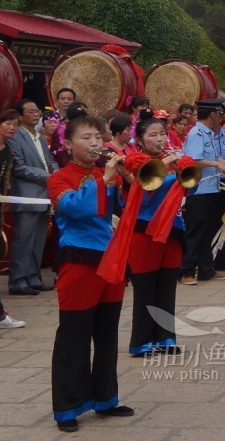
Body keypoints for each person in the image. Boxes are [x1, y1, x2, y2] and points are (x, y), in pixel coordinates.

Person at [47, 115, 133, 431]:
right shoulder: (58, 178)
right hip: (78, 261)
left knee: (107, 334)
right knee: (74, 334)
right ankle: (68, 407)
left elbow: (130, 209)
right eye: (86, 137)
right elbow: (77, 209)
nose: (95, 143)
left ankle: (105, 397)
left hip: (110, 260)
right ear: (68, 144)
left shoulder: (105, 173)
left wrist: (130, 178)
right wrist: (107, 178)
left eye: (98, 136)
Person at [124, 112, 191, 356]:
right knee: (145, 286)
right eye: (153, 135)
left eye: (162, 133)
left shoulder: (173, 159)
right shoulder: (134, 161)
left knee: (166, 285)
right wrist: (166, 164)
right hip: (144, 230)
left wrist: (180, 165)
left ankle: (166, 337)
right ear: (140, 140)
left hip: (172, 229)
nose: (160, 138)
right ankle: (141, 340)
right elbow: (140, 189)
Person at [179, 99, 225, 285]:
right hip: (200, 189)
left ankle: (206, 269)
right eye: (219, 114)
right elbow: (193, 160)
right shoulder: (197, 133)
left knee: (208, 232)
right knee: (195, 232)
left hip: (213, 187)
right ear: (213, 114)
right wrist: (216, 164)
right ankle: (186, 271)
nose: (221, 117)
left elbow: (217, 158)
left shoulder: (210, 134)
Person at [8, 99, 58, 296]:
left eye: (37, 110)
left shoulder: (39, 136)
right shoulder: (15, 137)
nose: (36, 114)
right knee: (23, 240)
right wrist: (49, 176)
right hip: (27, 195)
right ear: (20, 116)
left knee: (38, 240)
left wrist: (56, 173)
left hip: (45, 195)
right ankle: (18, 281)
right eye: (30, 111)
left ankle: (33, 278)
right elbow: (18, 168)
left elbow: (50, 161)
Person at [0, 109, 28, 330]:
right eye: (7, 123)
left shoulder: (7, 149)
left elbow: (6, 177)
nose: (12, 127)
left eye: (15, 124)